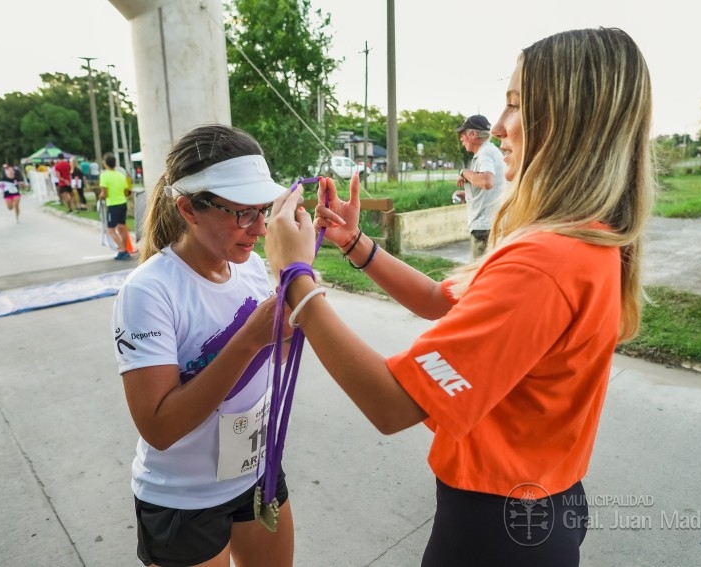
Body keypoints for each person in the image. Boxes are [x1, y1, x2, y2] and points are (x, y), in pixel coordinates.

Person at [264, 27, 655, 566]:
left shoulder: (545, 262)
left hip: (495, 529)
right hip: (549, 500)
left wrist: (294, 277)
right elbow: (438, 299)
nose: (499, 125)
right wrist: (355, 243)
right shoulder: (585, 240)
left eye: (516, 104)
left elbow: (390, 403)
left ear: (567, 121)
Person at [111, 124, 294, 567]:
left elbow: (276, 359)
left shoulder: (250, 267)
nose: (259, 228)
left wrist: (291, 323)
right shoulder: (148, 291)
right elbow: (159, 428)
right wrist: (249, 338)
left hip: (257, 470)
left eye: (263, 210)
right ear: (189, 208)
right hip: (183, 499)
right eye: (242, 213)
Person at [452, 114, 506, 259]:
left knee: (478, 270)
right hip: (493, 225)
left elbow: (487, 181)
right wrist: (468, 194)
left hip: (484, 228)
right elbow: (493, 189)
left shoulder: (485, 153)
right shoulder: (492, 151)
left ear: (473, 134)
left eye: (463, 134)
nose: (461, 139)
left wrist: (464, 172)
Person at [98, 153, 132, 260]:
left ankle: (122, 250)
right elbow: (126, 192)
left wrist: (100, 197)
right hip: (122, 203)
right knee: (121, 228)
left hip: (113, 205)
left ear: (105, 163)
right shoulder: (120, 175)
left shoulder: (104, 175)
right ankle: (125, 250)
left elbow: (104, 193)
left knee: (111, 230)